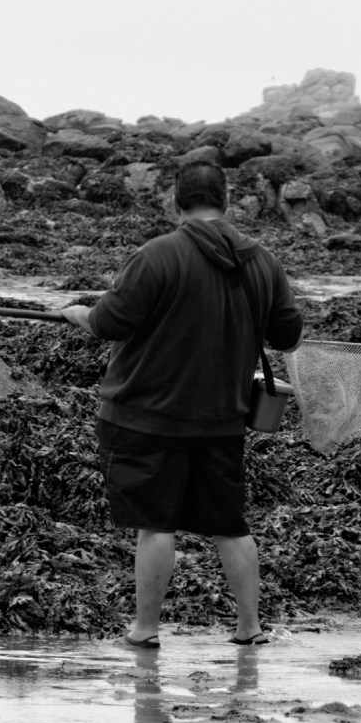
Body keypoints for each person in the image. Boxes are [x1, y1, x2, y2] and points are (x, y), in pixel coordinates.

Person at [61, 160, 303, 649]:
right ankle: (249, 628)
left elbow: (110, 322)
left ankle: (145, 630)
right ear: (227, 201)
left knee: (155, 527)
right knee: (230, 527)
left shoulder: (157, 255)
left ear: (176, 202)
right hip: (224, 421)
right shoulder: (264, 261)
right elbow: (288, 334)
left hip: (145, 418)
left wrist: (78, 314)